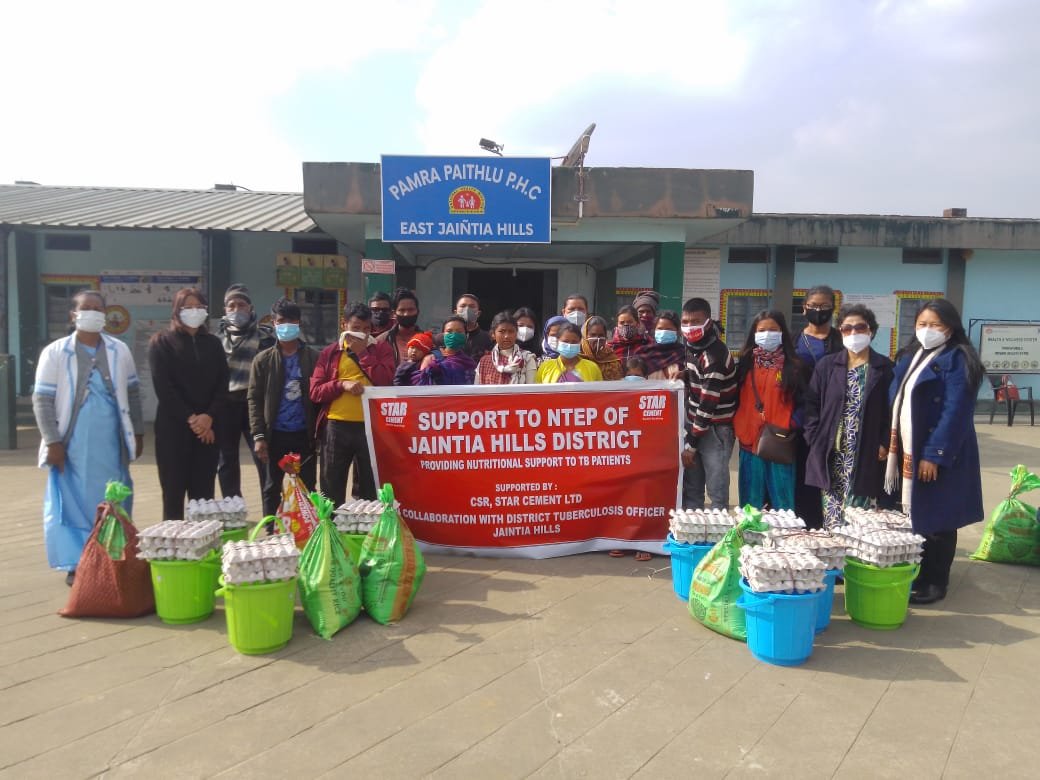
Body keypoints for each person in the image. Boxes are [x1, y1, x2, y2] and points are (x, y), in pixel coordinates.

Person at [33, 290, 144, 585]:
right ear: (74, 315)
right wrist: (53, 442)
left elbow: (133, 393)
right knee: (75, 502)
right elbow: (42, 400)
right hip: (73, 445)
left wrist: (139, 431)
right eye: (86, 308)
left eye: (98, 308)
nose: (93, 312)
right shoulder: (55, 352)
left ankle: (112, 558)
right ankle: (78, 563)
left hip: (111, 441)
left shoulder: (120, 350)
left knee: (115, 498)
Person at [886, 299, 985, 605]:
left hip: (937, 451)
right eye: (922, 324)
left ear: (950, 328)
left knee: (939, 519)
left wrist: (934, 453)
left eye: (935, 325)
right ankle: (919, 571)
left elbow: (956, 411)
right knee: (916, 515)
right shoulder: (912, 355)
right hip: (906, 448)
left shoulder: (958, 359)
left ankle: (935, 581)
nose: (927, 330)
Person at [803, 304, 894, 529]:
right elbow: (811, 405)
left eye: (860, 327)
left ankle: (856, 558)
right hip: (833, 452)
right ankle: (834, 556)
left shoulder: (884, 368)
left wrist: (885, 442)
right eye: (847, 328)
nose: (854, 333)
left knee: (861, 515)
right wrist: (814, 439)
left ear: (871, 330)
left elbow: (892, 410)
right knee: (832, 513)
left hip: (866, 450)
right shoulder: (827, 365)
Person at [149, 288, 229, 520]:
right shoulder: (161, 343)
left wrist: (209, 417)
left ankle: (203, 550)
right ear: (177, 311)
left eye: (199, 306)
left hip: (208, 432)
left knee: (203, 498)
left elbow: (222, 384)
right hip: (173, 431)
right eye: (188, 307)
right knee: (173, 495)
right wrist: (193, 419)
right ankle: (174, 549)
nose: (194, 311)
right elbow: (164, 388)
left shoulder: (213, 344)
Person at [310, 302, 395, 505]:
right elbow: (315, 392)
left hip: (370, 428)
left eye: (367, 329)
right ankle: (331, 531)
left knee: (369, 488)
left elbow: (386, 380)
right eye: (356, 329)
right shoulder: (330, 353)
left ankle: (366, 533)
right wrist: (341, 385)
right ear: (344, 325)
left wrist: (363, 354)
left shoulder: (380, 348)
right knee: (331, 487)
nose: (362, 335)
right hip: (336, 427)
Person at [247, 297, 319, 517]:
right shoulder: (263, 360)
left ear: (299, 323)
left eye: (291, 320)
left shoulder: (314, 358)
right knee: (271, 488)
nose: (286, 325)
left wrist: (319, 434)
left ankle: (310, 530)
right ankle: (271, 531)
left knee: (307, 488)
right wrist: (259, 436)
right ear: (274, 323)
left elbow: (321, 397)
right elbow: (254, 399)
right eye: (281, 320)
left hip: (304, 435)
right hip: (274, 434)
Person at [733, 310, 803, 510]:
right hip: (749, 442)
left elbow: (806, 402)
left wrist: (791, 423)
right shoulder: (745, 363)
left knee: (783, 506)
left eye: (773, 329)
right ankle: (750, 541)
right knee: (750, 506)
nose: (767, 334)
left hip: (779, 442)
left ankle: (783, 540)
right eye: (762, 330)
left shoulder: (794, 367)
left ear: (782, 332)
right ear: (754, 334)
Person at [215, 284, 274, 499]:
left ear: (250, 308)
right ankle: (233, 509)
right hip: (225, 406)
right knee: (226, 460)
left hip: (254, 405)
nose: (236, 309)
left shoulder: (266, 338)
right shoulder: (216, 340)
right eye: (232, 305)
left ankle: (270, 510)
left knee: (263, 456)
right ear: (225, 310)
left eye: (241, 305)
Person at [680, 298, 737, 510]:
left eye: (695, 321)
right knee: (692, 490)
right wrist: (684, 375)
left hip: (715, 429)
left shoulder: (714, 356)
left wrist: (691, 445)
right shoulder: (692, 346)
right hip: (695, 425)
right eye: (685, 322)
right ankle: (692, 538)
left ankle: (716, 540)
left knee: (717, 493)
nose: (689, 327)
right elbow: (697, 381)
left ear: (708, 321)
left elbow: (707, 404)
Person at [794, 284, 843, 527]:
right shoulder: (795, 341)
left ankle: (831, 526)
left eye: (824, 306)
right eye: (813, 306)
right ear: (804, 309)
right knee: (804, 476)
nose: (818, 311)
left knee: (833, 475)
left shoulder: (842, 340)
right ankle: (806, 525)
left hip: (835, 419)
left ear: (833, 309)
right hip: (802, 420)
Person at [475, 311, 538, 384]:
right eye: (502, 331)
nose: (506, 336)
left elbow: (531, 391)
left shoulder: (527, 359)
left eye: (511, 331)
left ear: (516, 333)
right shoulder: (484, 362)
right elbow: (476, 391)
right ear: (493, 334)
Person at [416, 317, 478, 385]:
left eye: (459, 331)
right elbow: (422, 384)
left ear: (466, 335)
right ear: (443, 334)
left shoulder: (469, 363)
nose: (454, 335)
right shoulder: (431, 359)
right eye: (449, 331)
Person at [536, 323, 603, 383]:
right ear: (557, 341)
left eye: (574, 342)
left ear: (580, 342)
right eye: (565, 341)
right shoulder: (546, 367)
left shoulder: (592, 367)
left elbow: (599, 393)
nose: (570, 345)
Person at [378, 287, 423, 366]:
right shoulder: (382, 340)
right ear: (394, 314)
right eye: (402, 310)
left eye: (411, 310)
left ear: (418, 311)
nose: (406, 314)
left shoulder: (428, 340)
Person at [641, 310, 685, 380]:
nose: (664, 332)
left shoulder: (684, 354)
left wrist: (684, 375)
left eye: (669, 329)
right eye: (660, 328)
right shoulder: (645, 353)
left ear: (677, 331)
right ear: (654, 330)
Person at [451, 293, 493, 360]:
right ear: (455, 312)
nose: (467, 309)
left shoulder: (488, 338)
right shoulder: (445, 337)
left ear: (478, 313)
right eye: (463, 306)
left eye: (472, 306)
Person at [580, 315, 623, 380]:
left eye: (601, 335)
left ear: (605, 336)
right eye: (593, 335)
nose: (597, 339)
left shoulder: (612, 360)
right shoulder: (576, 358)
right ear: (585, 335)